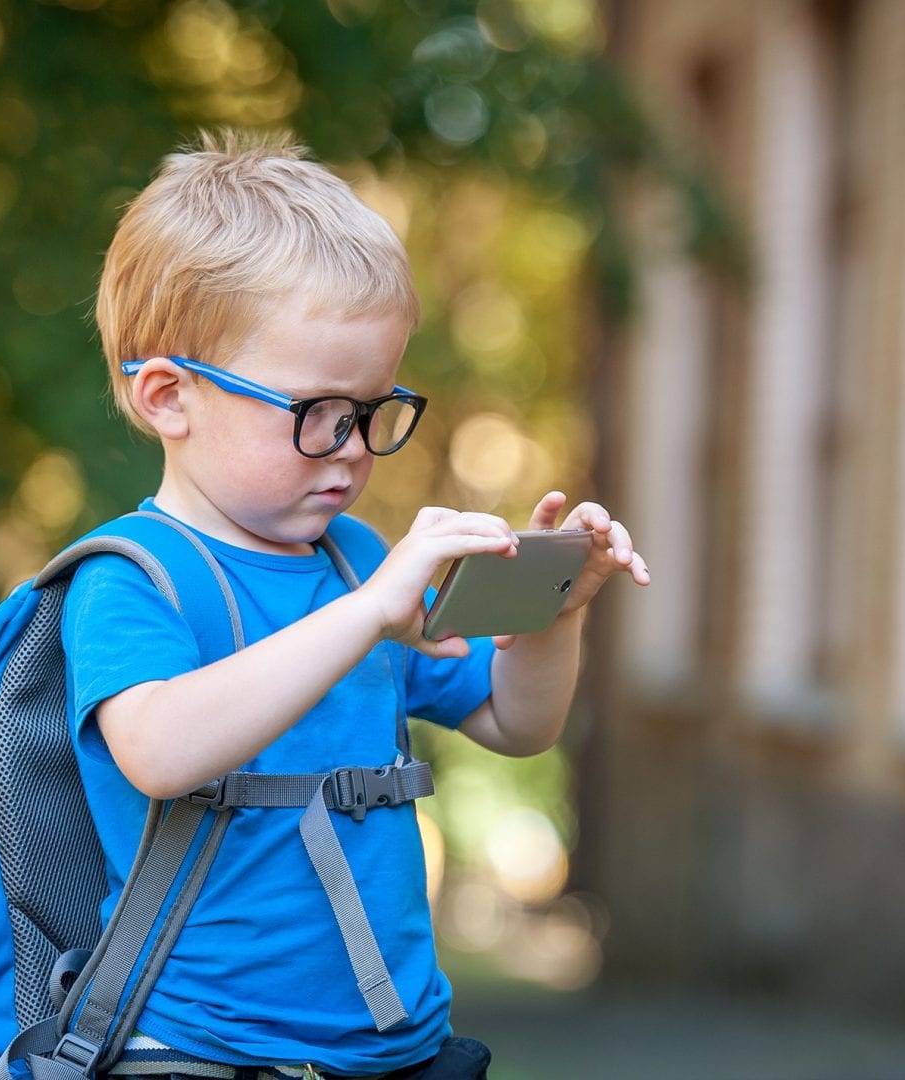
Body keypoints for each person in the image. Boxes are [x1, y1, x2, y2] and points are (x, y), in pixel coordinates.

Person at [67, 128, 650, 1080]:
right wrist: (373, 611)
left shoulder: (355, 565)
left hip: (396, 1047)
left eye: (373, 409)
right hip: (200, 1052)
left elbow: (515, 722)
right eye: (318, 413)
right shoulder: (135, 578)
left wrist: (556, 608)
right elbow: (161, 752)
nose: (353, 447)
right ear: (171, 396)